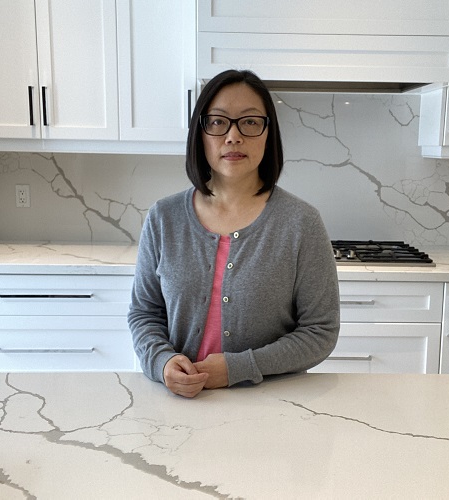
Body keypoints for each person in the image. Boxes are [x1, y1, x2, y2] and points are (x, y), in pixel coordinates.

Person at [128, 69, 340, 398]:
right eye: (218, 122)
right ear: (200, 132)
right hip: (179, 405)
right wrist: (162, 361)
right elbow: (145, 312)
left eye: (250, 122)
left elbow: (320, 331)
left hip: (271, 403)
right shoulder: (163, 219)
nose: (233, 136)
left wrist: (237, 368)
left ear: (269, 133)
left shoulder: (301, 223)